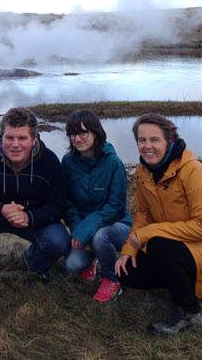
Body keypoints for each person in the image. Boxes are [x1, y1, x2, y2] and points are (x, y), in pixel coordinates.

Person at [115, 113, 202, 336]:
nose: (147, 146)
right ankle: (193, 283)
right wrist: (129, 249)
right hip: (183, 241)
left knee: (157, 244)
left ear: (169, 142)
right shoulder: (143, 171)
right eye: (142, 140)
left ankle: (189, 314)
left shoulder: (194, 171)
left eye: (154, 140)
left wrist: (150, 233)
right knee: (127, 273)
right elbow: (144, 213)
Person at [0, 106, 70, 283]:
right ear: (1, 136)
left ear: (34, 139)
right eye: (9, 138)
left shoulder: (50, 162)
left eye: (22, 138)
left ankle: (34, 266)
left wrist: (29, 217)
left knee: (59, 242)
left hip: (32, 219)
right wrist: (1, 209)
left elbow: (58, 204)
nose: (15, 144)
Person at [62, 109, 132, 303]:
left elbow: (116, 207)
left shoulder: (113, 163)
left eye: (83, 132)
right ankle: (92, 259)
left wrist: (87, 230)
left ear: (95, 132)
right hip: (83, 228)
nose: (77, 138)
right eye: (72, 134)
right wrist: (79, 231)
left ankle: (111, 279)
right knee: (72, 265)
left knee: (101, 236)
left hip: (117, 226)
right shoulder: (67, 163)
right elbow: (68, 204)